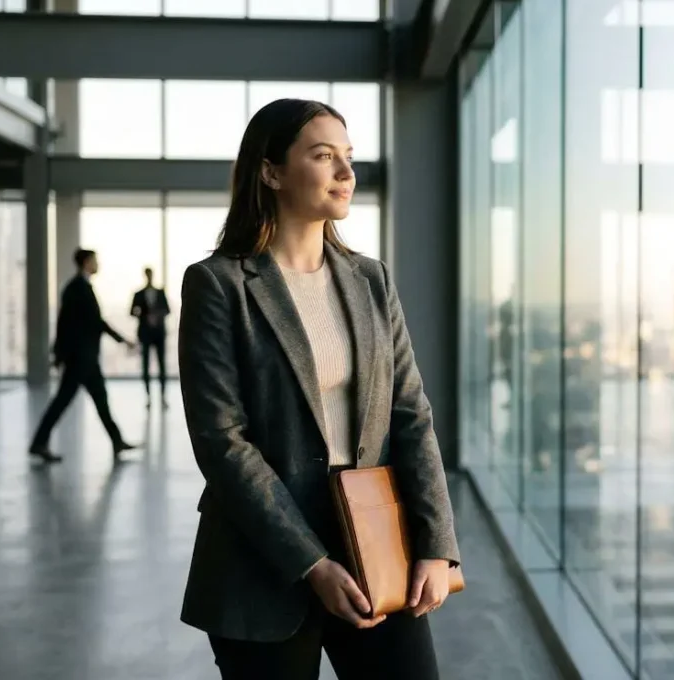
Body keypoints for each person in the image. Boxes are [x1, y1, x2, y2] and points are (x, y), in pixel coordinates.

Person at [177, 98, 460, 680]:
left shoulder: (370, 280)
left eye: (349, 157)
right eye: (323, 156)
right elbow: (221, 441)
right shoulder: (218, 285)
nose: (346, 173)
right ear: (272, 171)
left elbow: (411, 414)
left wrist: (435, 542)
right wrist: (310, 562)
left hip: (376, 544)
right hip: (260, 558)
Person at [28, 249, 138, 462]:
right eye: (95, 261)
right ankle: (39, 443)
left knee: (99, 400)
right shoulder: (78, 288)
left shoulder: (79, 287)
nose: (98, 264)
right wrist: (123, 340)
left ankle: (116, 441)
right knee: (63, 402)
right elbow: (87, 322)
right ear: (87, 262)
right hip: (80, 358)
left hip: (84, 358)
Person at [130, 267, 171, 407]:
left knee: (162, 366)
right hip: (145, 333)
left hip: (159, 333)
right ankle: (148, 397)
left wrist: (157, 316)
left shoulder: (160, 292)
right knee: (145, 365)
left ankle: (163, 397)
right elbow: (131, 311)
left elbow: (167, 310)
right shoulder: (138, 294)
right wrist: (144, 316)